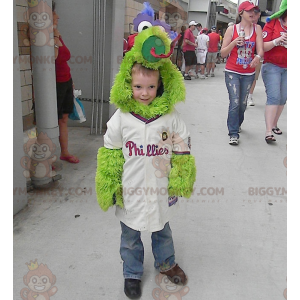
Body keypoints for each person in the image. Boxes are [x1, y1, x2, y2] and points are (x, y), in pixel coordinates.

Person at [95, 26, 196, 299]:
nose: (144, 92)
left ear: (160, 85)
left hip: (161, 187)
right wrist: (109, 182)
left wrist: (181, 175)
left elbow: (182, 146)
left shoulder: (170, 117)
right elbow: (110, 151)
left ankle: (166, 263)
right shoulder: (121, 118)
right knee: (130, 236)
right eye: (138, 86)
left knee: (162, 229)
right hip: (131, 189)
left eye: (151, 87)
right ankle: (132, 272)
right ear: (128, 85)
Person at [221, 1, 264, 145]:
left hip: (248, 73)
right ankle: (233, 133)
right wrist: (234, 42)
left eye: (255, 11)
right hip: (232, 71)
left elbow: (260, 49)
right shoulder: (232, 29)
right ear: (241, 13)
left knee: (243, 103)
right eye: (249, 11)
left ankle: (237, 123)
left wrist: (257, 57)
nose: (253, 14)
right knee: (235, 102)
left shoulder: (257, 28)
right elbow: (222, 53)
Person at [52, 1, 79, 163]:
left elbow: (64, 58)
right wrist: (54, 33)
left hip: (65, 81)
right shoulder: (45, 35)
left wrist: (71, 81)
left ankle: (65, 152)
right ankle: (47, 159)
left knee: (63, 119)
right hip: (53, 84)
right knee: (50, 120)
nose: (58, 16)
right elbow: (54, 57)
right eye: (55, 13)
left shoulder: (57, 33)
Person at [261, 0, 287, 144]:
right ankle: (268, 131)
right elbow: (263, 46)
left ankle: (274, 124)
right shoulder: (273, 23)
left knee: (283, 98)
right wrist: (277, 41)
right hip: (272, 65)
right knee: (274, 97)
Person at [247, 7, 265, 106]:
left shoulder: (263, 26)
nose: (253, 16)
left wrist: (259, 55)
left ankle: (249, 96)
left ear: (259, 15)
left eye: (255, 14)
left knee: (254, 76)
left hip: (257, 55)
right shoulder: (245, 24)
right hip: (245, 54)